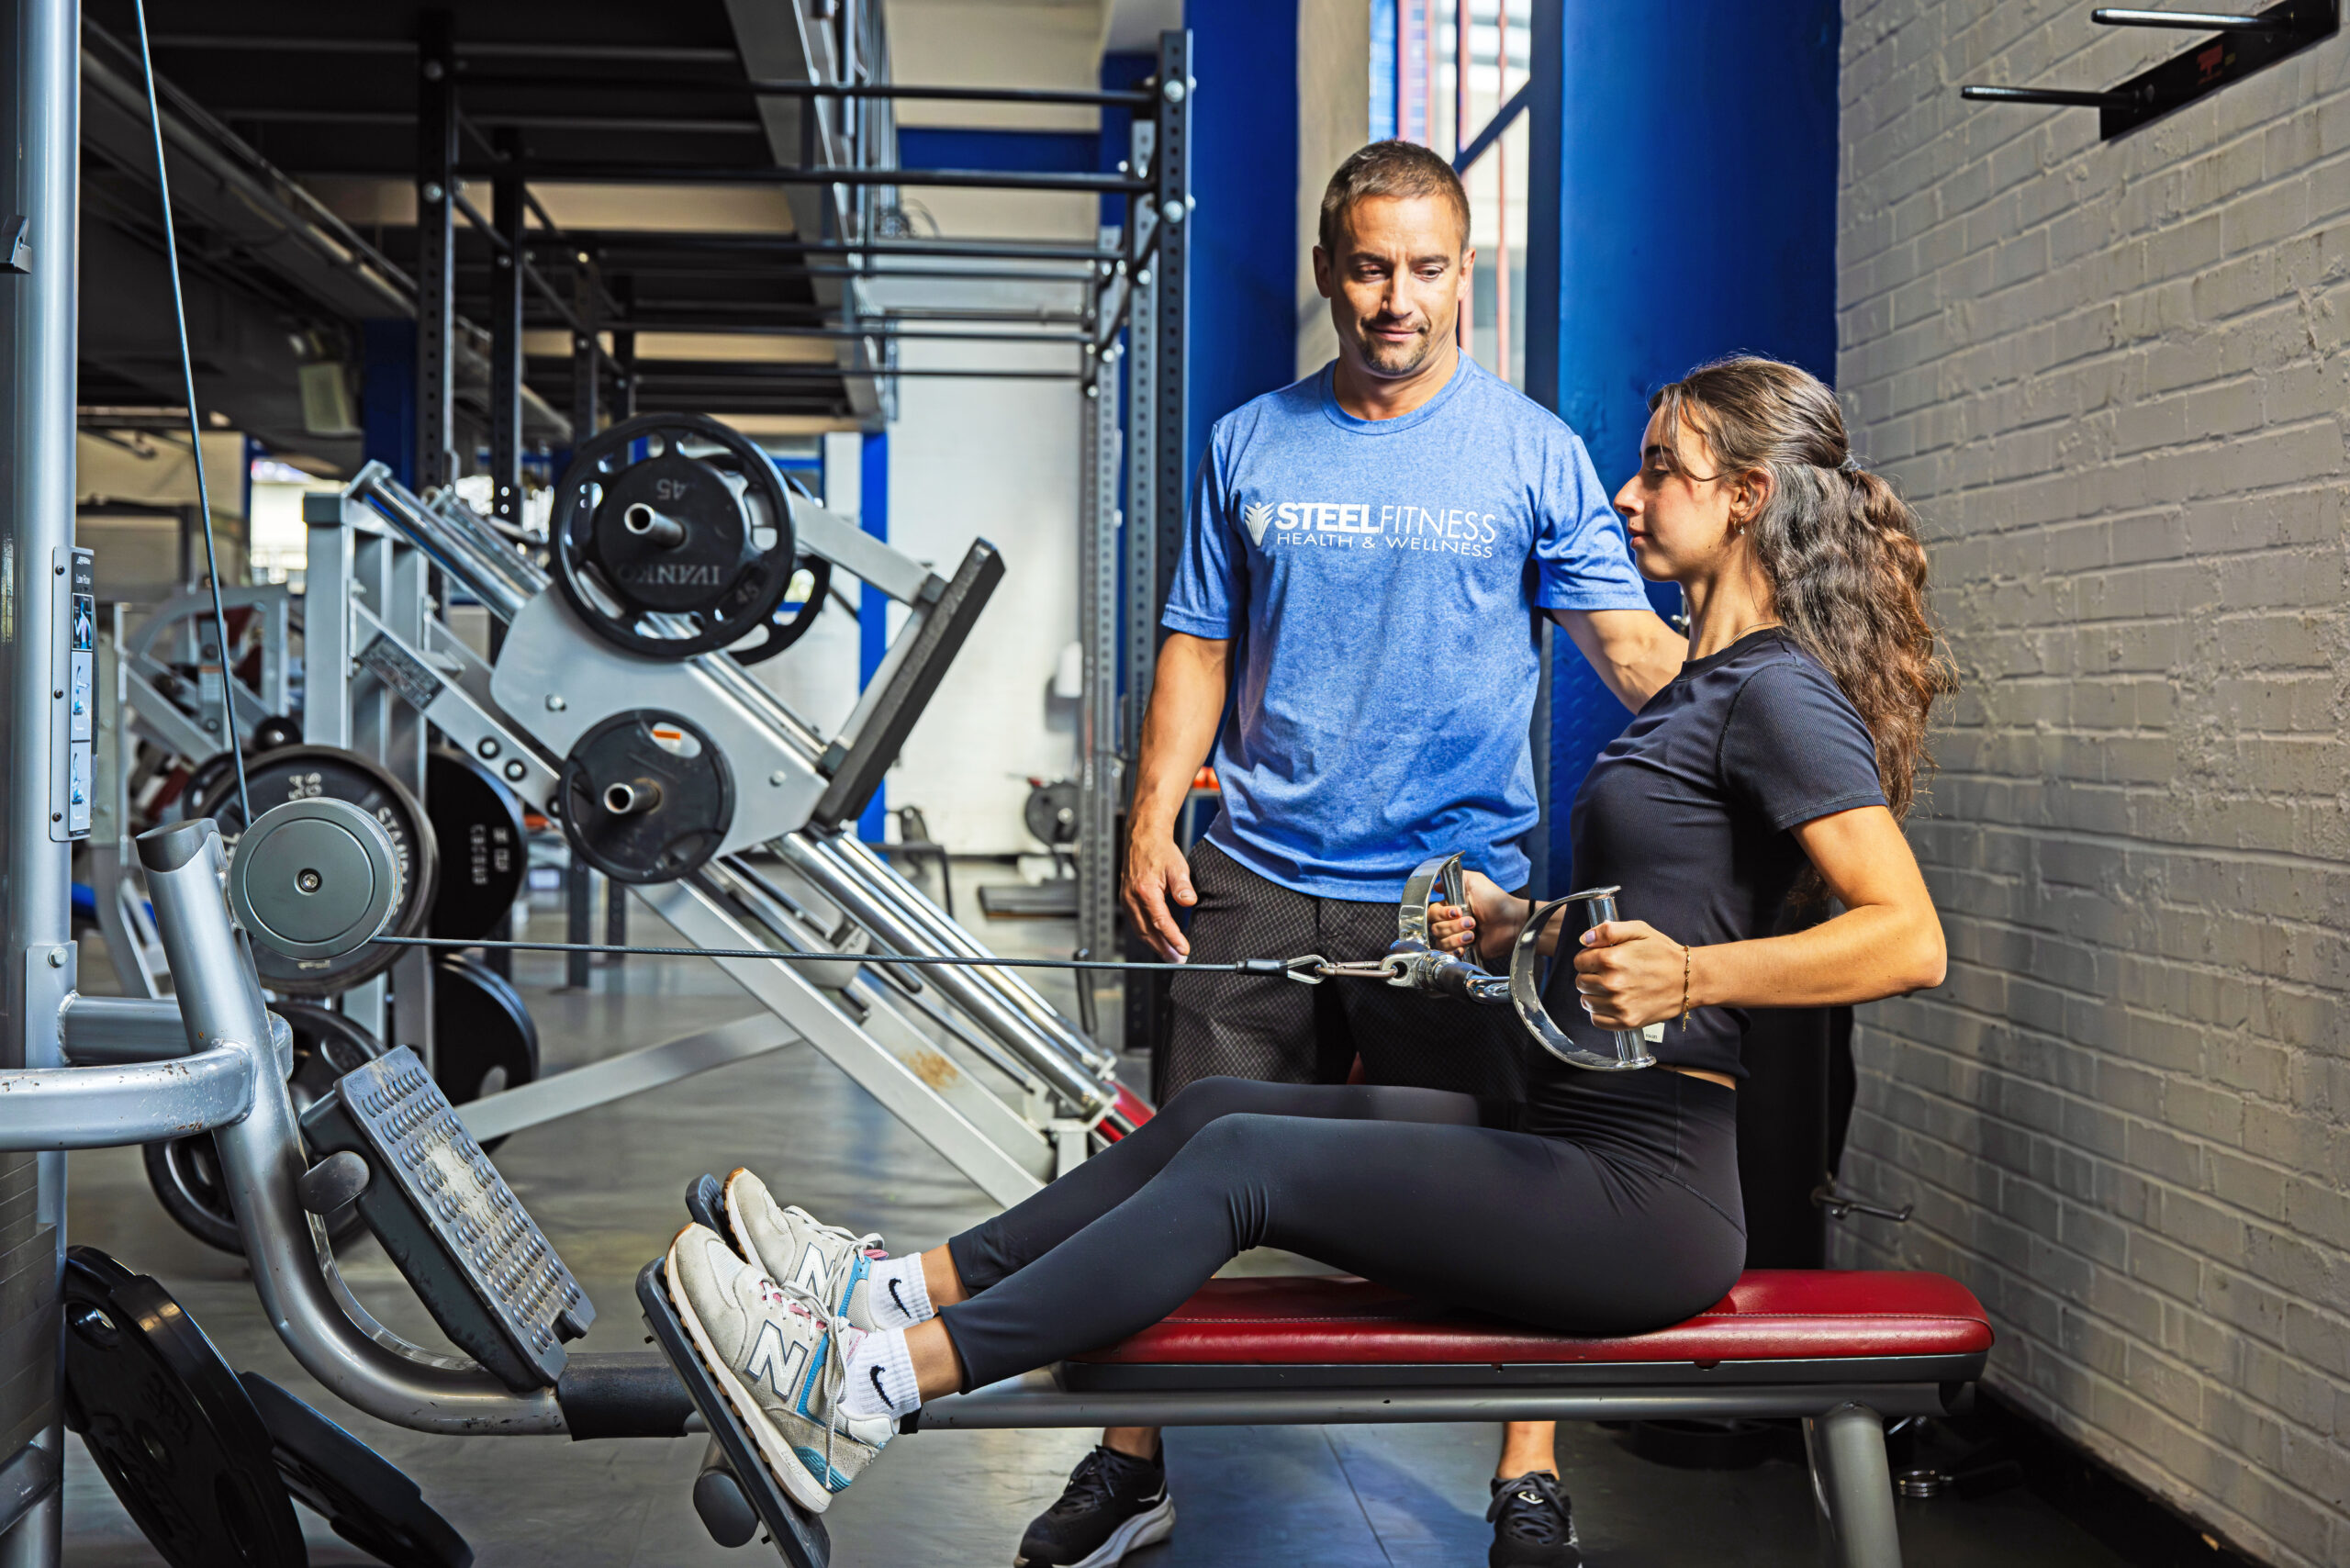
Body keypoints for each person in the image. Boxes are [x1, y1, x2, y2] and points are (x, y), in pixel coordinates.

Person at [661, 354, 1953, 1568]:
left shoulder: (1777, 692)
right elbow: (1676, 904)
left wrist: (1693, 981)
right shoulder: (1703, 684)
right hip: (1579, 1142)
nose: (1628, 489)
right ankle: (879, 1289)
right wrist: (1523, 928)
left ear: (1748, 499)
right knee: (1222, 1107)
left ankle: (864, 1391)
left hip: (1643, 1198)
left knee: (1246, 1164)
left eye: (1663, 466)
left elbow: (1907, 937)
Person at [1101, 137, 1684, 1567]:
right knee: (1183, 1169)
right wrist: (1150, 808)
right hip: (1257, 867)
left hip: (1458, 894)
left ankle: (1528, 1474)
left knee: (1506, 1186)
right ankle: (1131, 1456)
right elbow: (1198, 640)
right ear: (1327, 274)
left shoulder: (1534, 450)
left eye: (1427, 268)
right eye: (1370, 267)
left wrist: (1782, 705)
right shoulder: (1250, 441)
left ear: (1464, 274)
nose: (1397, 297)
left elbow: (1628, 651)